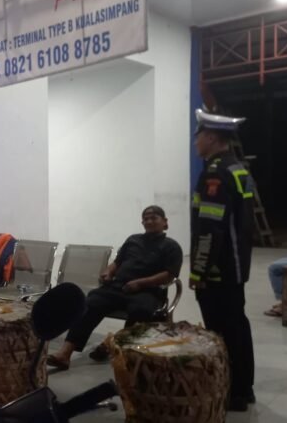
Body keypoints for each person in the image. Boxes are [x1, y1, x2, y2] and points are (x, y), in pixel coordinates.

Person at [46, 206, 183, 370]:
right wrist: (108, 271)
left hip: (148, 291)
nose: (149, 221)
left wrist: (140, 283)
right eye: (145, 219)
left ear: (165, 222)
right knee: (90, 303)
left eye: (154, 218)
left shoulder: (172, 247)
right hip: (117, 287)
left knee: (141, 311)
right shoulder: (133, 240)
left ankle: (117, 349)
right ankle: (65, 354)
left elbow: (169, 275)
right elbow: (117, 262)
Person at [190, 108, 255, 412]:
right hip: (236, 265)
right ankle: (244, 387)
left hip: (218, 270)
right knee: (238, 326)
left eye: (198, 136)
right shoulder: (237, 168)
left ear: (212, 138)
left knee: (222, 332)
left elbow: (210, 229)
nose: (195, 142)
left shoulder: (214, 174)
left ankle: (231, 392)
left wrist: (199, 271)